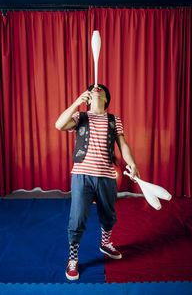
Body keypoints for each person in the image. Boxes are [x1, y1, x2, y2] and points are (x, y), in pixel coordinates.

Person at [55, 84, 140, 281]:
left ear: (106, 98)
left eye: (100, 89)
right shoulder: (80, 116)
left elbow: (123, 144)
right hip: (81, 176)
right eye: (93, 88)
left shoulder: (114, 120)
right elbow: (59, 125)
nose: (96, 88)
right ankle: (73, 258)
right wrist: (77, 103)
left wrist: (133, 163)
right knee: (77, 219)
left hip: (107, 178)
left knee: (109, 215)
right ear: (88, 97)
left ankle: (106, 243)